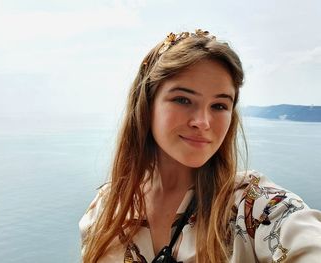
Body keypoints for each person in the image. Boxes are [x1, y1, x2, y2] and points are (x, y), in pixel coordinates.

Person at [79, 29, 321, 262]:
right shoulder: (107, 208)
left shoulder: (256, 206)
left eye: (219, 105)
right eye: (183, 99)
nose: (202, 122)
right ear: (146, 105)